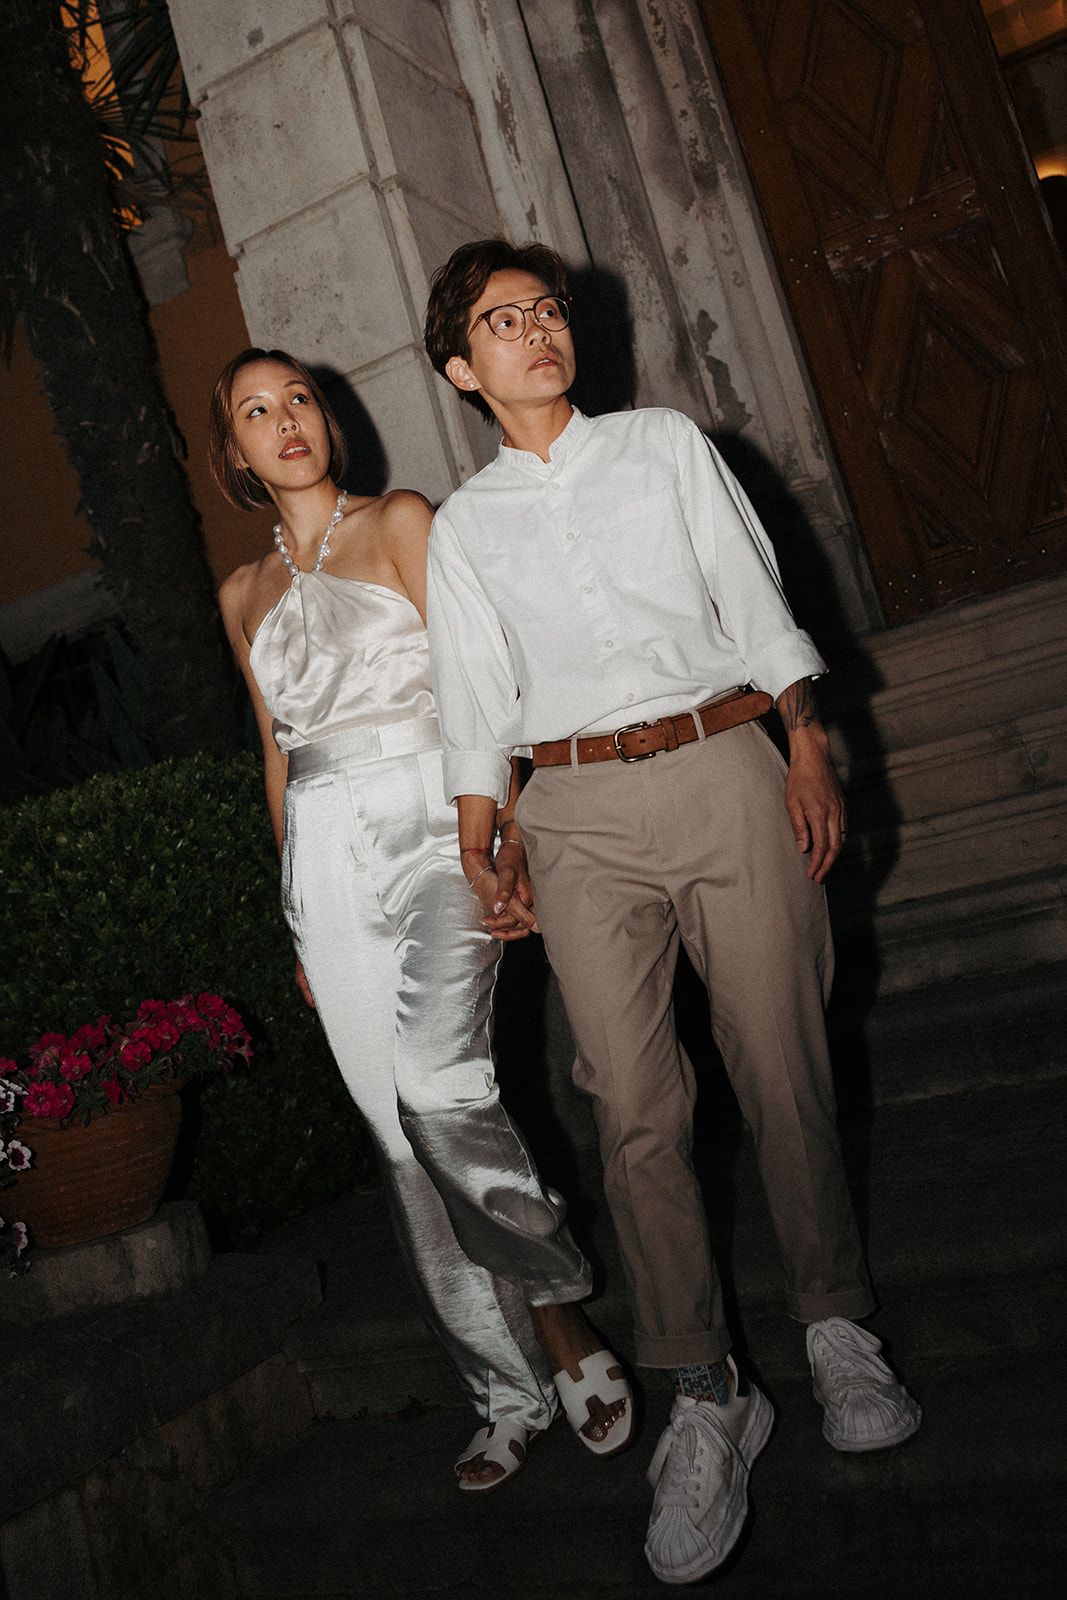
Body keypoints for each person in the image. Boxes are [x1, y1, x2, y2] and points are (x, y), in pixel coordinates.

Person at [422, 241, 921, 1579]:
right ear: (460, 368)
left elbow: (755, 606)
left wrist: (804, 745)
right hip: (571, 813)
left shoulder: (662, 446)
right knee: (632, 1109)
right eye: (499, 321)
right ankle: (705, 1392)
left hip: (719, 766)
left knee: (778, 1060)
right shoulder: (464, 526)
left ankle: (832, 1330)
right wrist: (486, 843)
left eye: (545, 310)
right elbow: (472, 702)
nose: (535, 330)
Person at [208, 346, 635, 1493]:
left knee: (441, 1086)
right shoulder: (240, 595)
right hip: (325, 867)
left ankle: (559, 1319)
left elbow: (479, 682)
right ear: (236, 455)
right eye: (257, 411)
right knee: (397, 1143)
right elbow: (273, 753)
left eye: (297, 397)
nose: (285, 419)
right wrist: (297, 915)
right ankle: (501, 1392)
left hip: (435, 827)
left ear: (326, 419)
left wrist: (505, 833)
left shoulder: (401, 521)